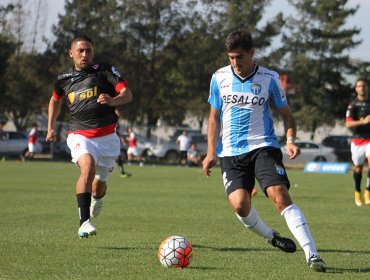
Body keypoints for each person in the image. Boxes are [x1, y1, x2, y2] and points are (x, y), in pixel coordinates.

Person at [202, 30, 326, 272]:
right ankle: (272, 237)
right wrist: (210, 152)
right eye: (231, 58)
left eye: (239, 57)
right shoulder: (219, 78)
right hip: (230, 153)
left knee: (278, 194)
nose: (235, 63)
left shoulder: (269, 78)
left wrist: (290, 140)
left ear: (252, 53)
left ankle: (313, 254)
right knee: (240, 205)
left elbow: (287, 116)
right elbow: (213, 118)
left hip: (263, 147)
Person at [46, 35, 132, 238]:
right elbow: (54, 100)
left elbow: (128, 94)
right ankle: (84, 222)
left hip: (107, 138)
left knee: (99, 184)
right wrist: (50, 126)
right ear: (71, 53)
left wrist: (113, 100)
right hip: (79, 135)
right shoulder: (63, 80)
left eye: (89, 51)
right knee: (87, 168)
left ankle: (97, 198)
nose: (85, 54)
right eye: (81, 50)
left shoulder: (104, 70)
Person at [345, 79, 370, 206]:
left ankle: (368, 191)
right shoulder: (353, 105)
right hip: (358, 141)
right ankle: (357, 191)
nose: (362, 88)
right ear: (356, 89)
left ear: (367, 87)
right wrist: (363, 122)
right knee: (358, 167)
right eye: (359, 86)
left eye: (364, 86)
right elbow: (348, 123)